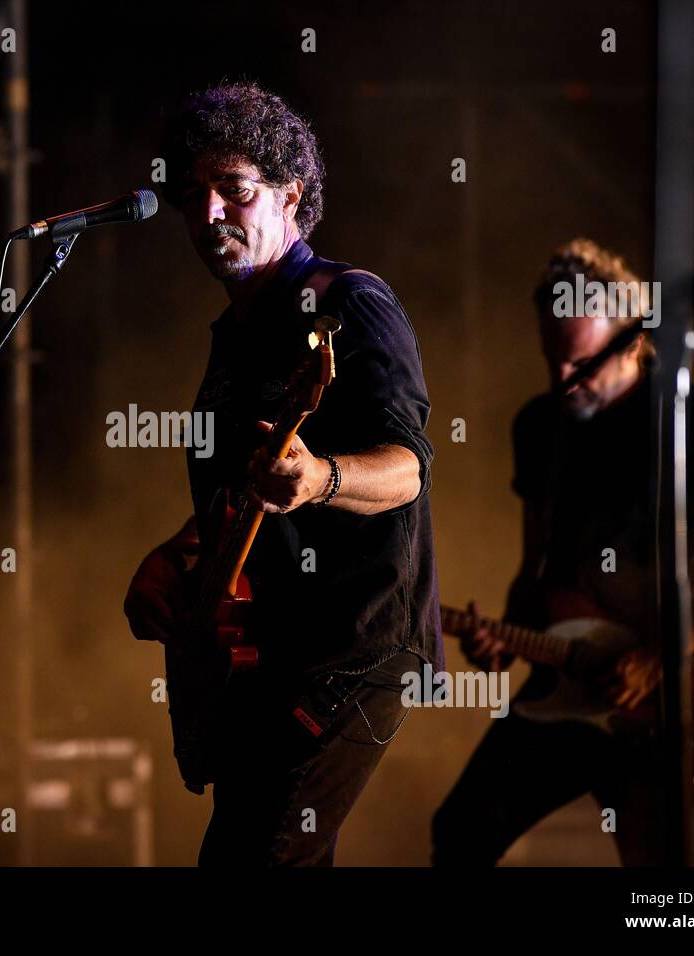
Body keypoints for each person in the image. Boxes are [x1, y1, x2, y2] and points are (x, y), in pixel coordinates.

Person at [123, 81, 443, 866]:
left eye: (232, 190)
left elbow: (408, 468)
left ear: (291, 193)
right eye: (192, 196)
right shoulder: (232, 334)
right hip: (266, 659)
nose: (207, 216)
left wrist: (322, 478)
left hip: (352, 652)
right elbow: (250, 491)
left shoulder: (351, 302)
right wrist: (177, 554)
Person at [432, 238, 694, 865]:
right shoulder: (538, 427)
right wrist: (503, 638)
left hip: (660, 701)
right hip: (566, 683)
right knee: (459, 834)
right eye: (552, 362)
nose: (560, 383)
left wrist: (658, 657)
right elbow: (534, 567)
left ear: (636, 343)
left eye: (582, 365)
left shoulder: (683, 416)